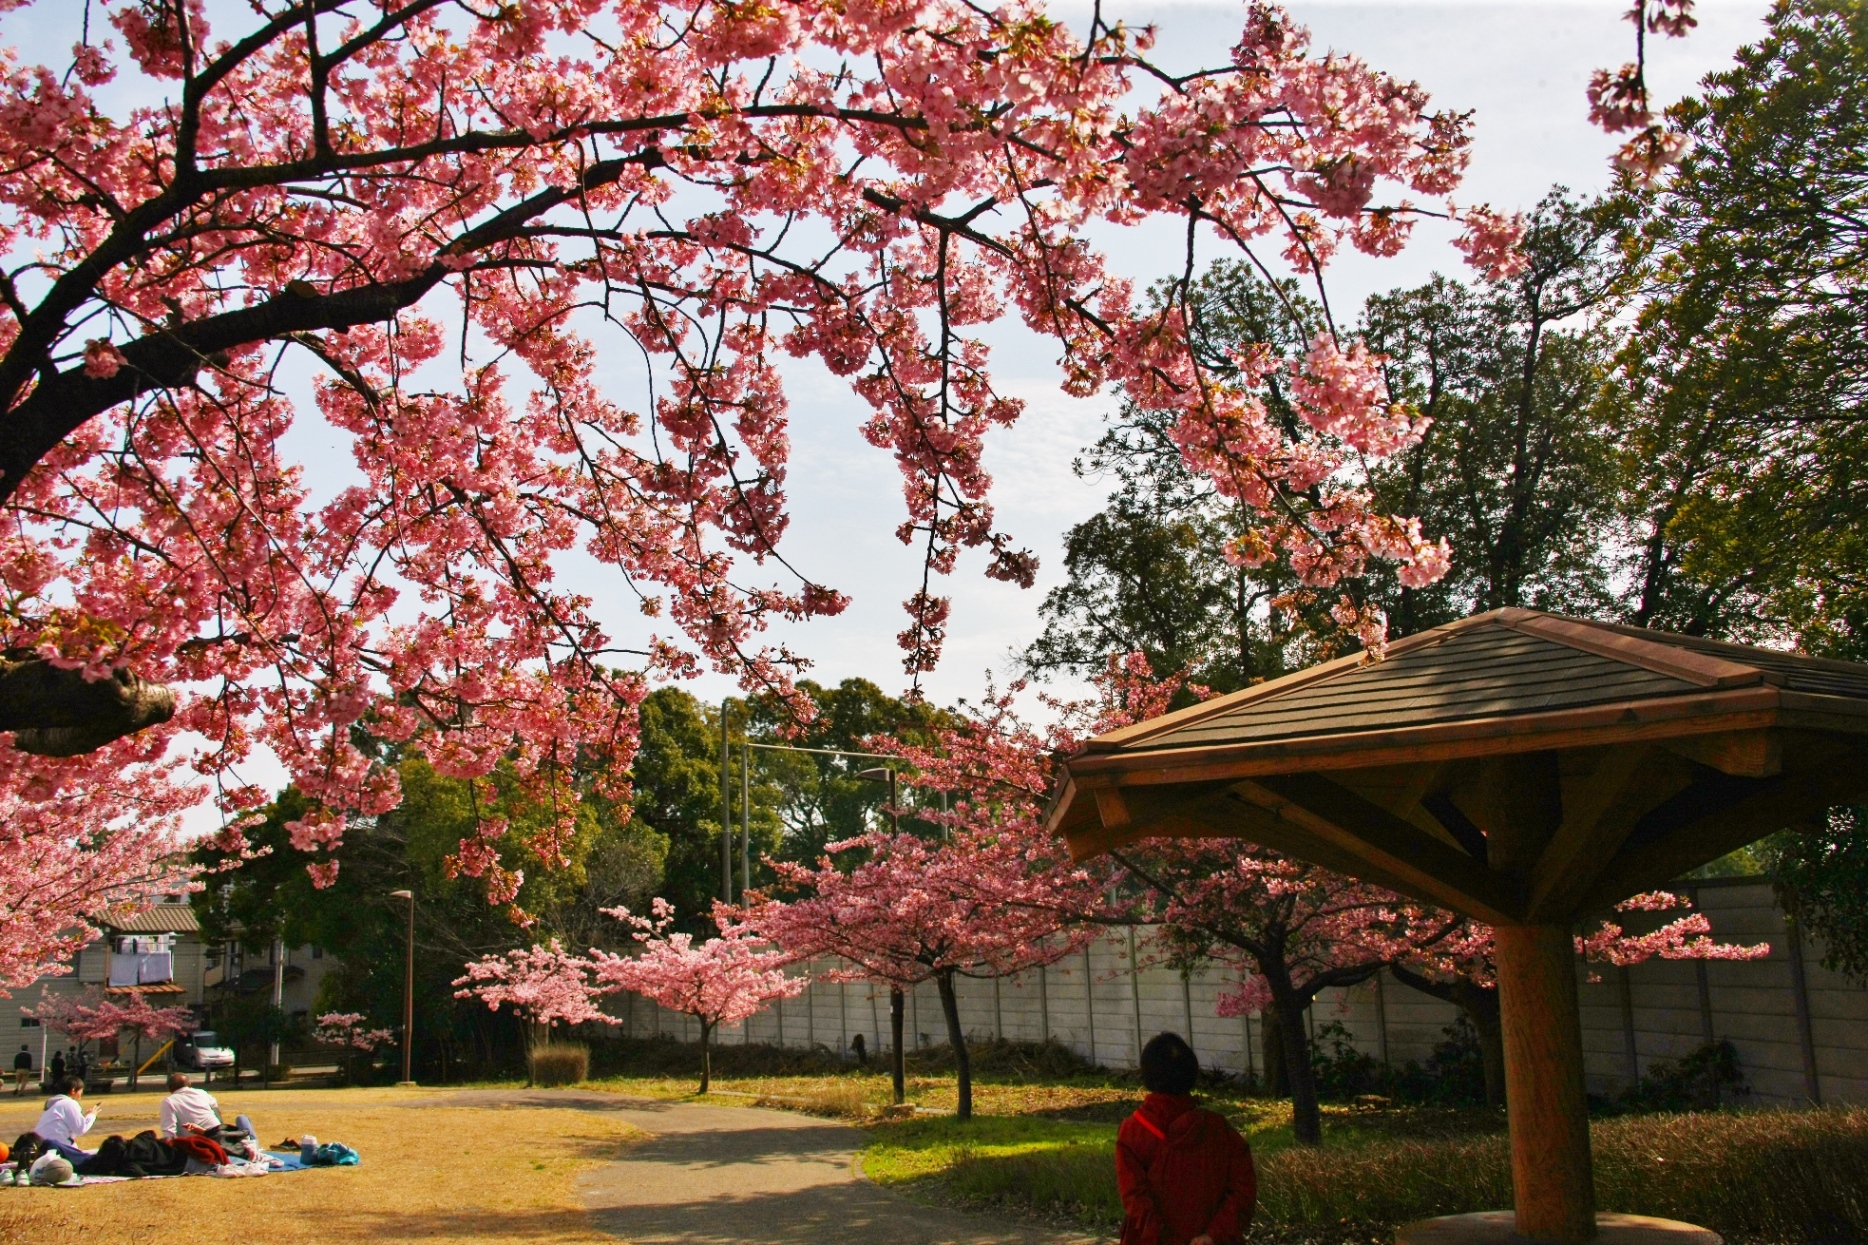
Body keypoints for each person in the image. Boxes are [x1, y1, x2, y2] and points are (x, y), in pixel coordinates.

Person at [1116, 1033, 1256, 1245]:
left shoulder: (1133, 1132)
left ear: (1147, 1076)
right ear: (1192, 1073)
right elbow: (1243, 1190)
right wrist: (1214, 1234)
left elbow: (1136, 1200)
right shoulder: (1219, 1130)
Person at [158, 1072, 257, 1146]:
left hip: (201, 1143)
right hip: (221, 1137)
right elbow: (217, 1113)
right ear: (189, 1084)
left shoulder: (169, 1102)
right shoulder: (202, 1093)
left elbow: (169, 1133)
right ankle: (252, 1142)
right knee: (242, 1119)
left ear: (170, 1088)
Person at [30, 1077, 97, 1163]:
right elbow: (81, 1129)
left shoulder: (55, 1105)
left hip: (42, 1149)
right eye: (81, 1090)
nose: (82, 1093)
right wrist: (91, 1116)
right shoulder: (69, 1103)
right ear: (73, 1090)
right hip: (58, 1151)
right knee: (97, 1156)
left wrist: (85, 1117)